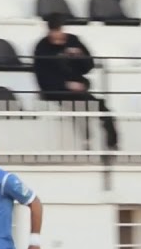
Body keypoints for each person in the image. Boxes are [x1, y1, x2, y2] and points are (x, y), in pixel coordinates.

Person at [33, 14, 118, 151]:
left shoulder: (73, 41)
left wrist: (79, 56)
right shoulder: (42, 47)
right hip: (55, 90)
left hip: (78, 88)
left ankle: (112, 142)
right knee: (80, 104)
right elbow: (42, 76)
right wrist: (65, 85)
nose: (57, 35)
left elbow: (89, 66)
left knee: (101, 106)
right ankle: (86, 140)